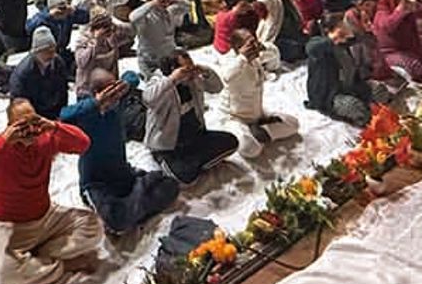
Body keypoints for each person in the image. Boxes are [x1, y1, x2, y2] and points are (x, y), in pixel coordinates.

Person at [0, 98, 103, 284]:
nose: (30, 130)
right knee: (7, 274)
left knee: (93, 225)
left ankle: (42, 255)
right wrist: (4, 140)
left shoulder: (44, 139)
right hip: (10, 226)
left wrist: (54, 126)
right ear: (10, 127)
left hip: (46, 215)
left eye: (33, 122)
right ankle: (59, 265)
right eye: (22, 126)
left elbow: (83, 144)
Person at [60, 69, 178, 234]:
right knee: (117, 221)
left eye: (116, 89)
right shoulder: (85, 114)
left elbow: (132, 76)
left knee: (170, 185)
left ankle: (134, 202)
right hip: (97, 184)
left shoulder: (117, 104)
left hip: (123, 173)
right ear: (97, 92)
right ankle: (139, 196)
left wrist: (124, 84)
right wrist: (97, 102)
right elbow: (63, 117)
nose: (116, 96)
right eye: (111, 91)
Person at [142, 49, 238, 185]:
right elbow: (148, 98)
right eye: (186, 69)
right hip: (170, 146)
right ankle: (182, 163)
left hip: (195, 135)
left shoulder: (192, 79)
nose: (191, 72)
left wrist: (204, 71)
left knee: (231, 142)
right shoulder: (161, 82)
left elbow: (217, 87)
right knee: (184, 178)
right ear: (174, 70)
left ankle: (195, 162)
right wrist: (172, 79)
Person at [219, 30, 299, 158]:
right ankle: (255, 133)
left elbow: (274, 53)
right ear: (239, 48)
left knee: (294, 124)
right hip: (235, 117)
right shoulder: (232, 62)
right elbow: (226, 76)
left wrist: (264, 47)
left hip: (258, 114)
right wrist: (243, 57)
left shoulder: (256, 60)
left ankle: (261, 131)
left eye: (255, 41)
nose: (255, 45)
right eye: (250, 43)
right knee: (250, 149)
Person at [305, 13, 373, 126]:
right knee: (354, 107)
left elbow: (359, 38)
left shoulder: (345, 42)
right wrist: (333, 39)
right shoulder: (320, 46)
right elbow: (310, 48)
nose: (346, 27)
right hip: (330, 95)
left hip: (351, 86)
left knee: (379, 90)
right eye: (342, 26)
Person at [8, 26, 70, 121]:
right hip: (34, 116)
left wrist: (61, 113)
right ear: (36, 52)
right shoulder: (23, 73)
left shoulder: (58, 63)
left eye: (53, 50)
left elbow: (63, 90)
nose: (51, 54)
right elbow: (18, 104)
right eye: (46, 51)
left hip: (54, 112)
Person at [129, 0, 191, 76]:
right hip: (151, 60)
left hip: (169, 56)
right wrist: (151, 4)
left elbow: (188, 6)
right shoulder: (146, 17)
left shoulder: (170, 11)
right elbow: (132, 17)